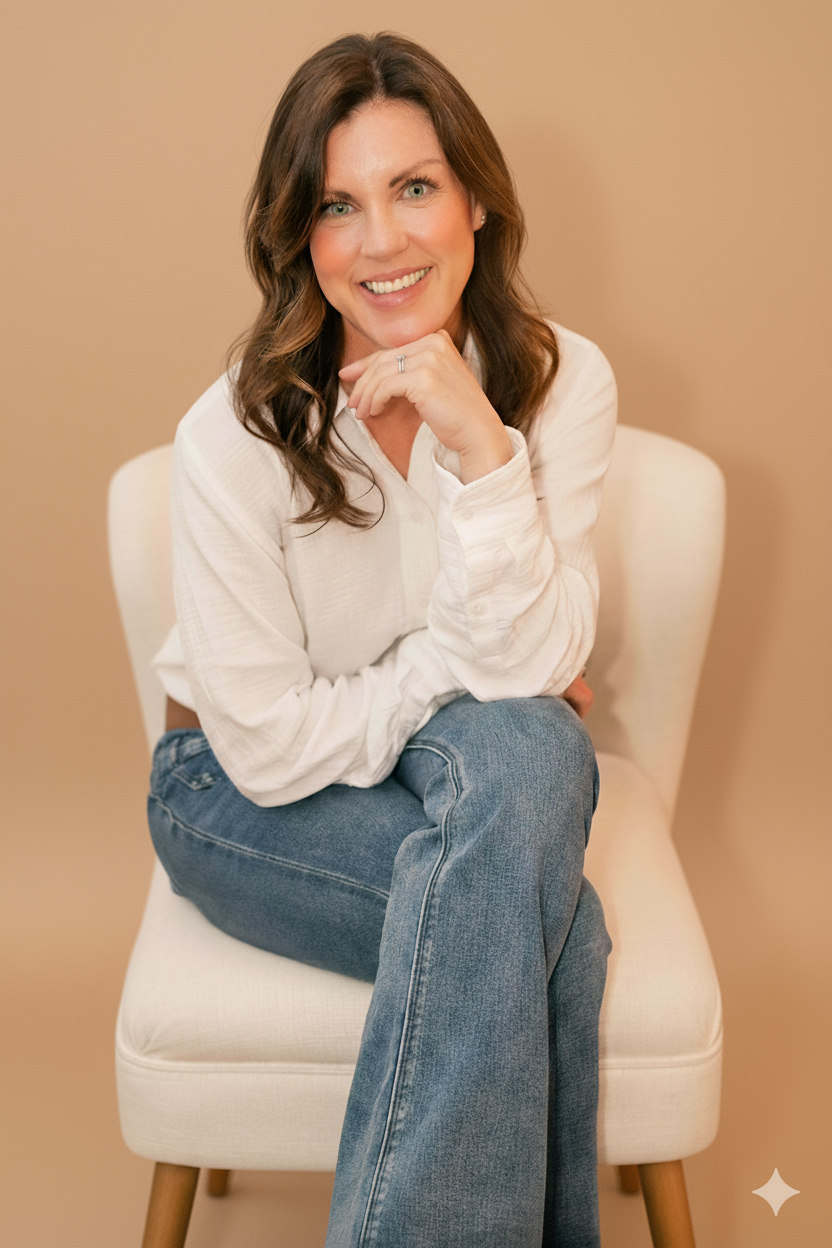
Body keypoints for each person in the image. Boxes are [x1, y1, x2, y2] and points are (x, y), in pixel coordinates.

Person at [148, 31, 617, 1248]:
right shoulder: (232, 435)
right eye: (336, 206)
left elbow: (529, 673)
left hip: (445, 770)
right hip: (234, 794)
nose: (384, 241)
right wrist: (465, 677)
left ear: (473, 198)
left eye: (413, 187)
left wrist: (483, 447)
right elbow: (271, 745)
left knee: (527, 765)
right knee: (545, 862)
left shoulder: (565, 387)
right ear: (300, 240)